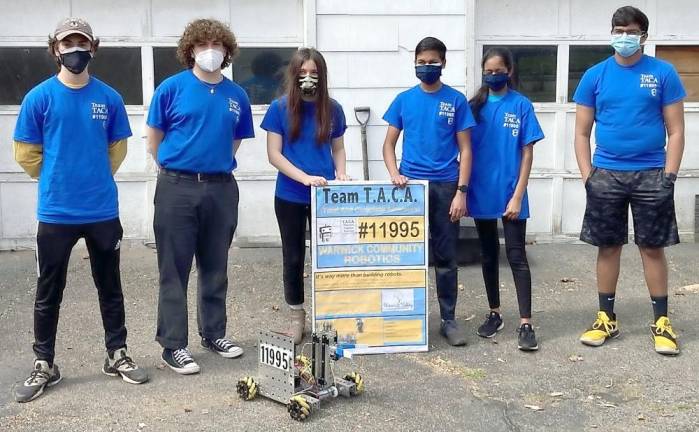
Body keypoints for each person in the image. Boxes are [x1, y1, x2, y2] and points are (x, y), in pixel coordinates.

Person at [12, 17, 148, 402]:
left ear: (94, 48)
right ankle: (44, 364)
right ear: (55, 48)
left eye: (81, 43)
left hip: (102, 210)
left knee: (110, 287)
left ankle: (117, 354)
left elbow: (116, 150)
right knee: (48, 291)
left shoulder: (109, 98)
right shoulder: (39, 98)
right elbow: (25, 153)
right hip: (55, 213)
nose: (75, 50)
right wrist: (59, 176)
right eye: (67, 43)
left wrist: (92, 176)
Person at [573, 6, 685, 355]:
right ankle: (606, 317)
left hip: (652, 173)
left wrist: (670, 175)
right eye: (618, 30)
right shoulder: (594, 75)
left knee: (652, 247)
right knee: (608, 246)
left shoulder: (663, 73)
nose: (624, 36)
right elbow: (580, 133)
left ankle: (662, 322)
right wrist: (586, 175)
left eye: (631, 31)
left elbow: (677, 130)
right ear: (612, 33)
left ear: (643, 36)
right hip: (606, 173)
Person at [146, 18, 255, 374]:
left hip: (221, 187)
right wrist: (175, 169)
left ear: (226, 52)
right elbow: (154, 138)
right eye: (203, 44)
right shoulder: (171, 88)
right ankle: (173, 345)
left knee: (215, 264)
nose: (211, 50)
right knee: (174, 269)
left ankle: (213, 333)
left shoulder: (236, 95)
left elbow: (235, 139)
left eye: (218, 45)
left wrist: (215, 165)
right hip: (177, 186)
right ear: (190, 49)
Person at [382, 36, 475, 346]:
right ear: (415, 64)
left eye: (432, 62)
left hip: (447, 186)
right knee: (408, 256)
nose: (427, 67)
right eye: (421, 62)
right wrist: (395, 173)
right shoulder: (404, 100)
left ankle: (448, 320)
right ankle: (407, 318)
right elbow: (388, 144)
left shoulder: (456, 101)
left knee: (446, 257)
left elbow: (466, 148)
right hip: (411, 189)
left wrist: (461, 191)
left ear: (443, 63)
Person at [262, 47, 348, 344]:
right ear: (294, 75)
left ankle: (331, 316)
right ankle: (297, 318)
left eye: (314, 73)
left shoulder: (333, 108)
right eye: (302, 73)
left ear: (321, 76)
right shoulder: (279, 108)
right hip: (290, 195)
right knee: (294, 257)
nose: (308, 78)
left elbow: (337, 148)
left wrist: (341, 173)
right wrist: (305, 178)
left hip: (325, 197)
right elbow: (274, 154)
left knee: (328, 258)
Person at [468, 47, 544, 351]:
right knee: (488, 255)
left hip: (511, 194)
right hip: (481, 192)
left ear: (509, 71)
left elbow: (527, 153)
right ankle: (495, 313)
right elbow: (463, 148)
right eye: (488, 71)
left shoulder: (521, 105)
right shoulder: (474, 106)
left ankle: (526, 322)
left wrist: (518, 195)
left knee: (516, 257)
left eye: (498, 70)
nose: (493, 75)